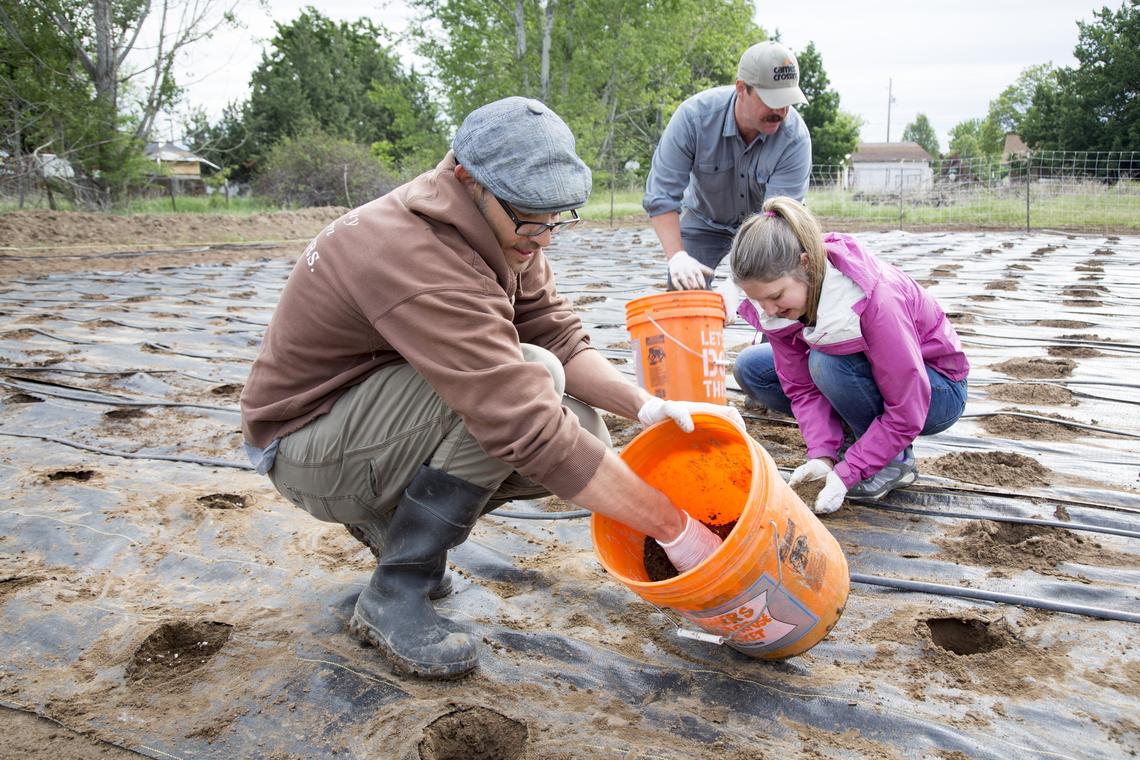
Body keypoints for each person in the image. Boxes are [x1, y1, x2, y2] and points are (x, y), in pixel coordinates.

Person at [239, 96, 742, 681]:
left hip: (365, 418)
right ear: (466, 179)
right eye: (533, 218)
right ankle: (394, 590)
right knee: (528, 393)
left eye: (558, 217)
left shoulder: (502, 228)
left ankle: (397, 530)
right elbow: (518, 418)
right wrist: (675, 529)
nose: (546, 237)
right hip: (304, 446)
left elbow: (556, 334)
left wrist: (646, 404)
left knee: (582, 425)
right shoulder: (413, 253)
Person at [727, 197, 969, 514]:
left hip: (935, 391)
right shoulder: (779, 308)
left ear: (805, 264)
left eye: (776, 296)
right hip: (865, 373)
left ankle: (894, 460)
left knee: (826, 363)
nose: (770, 310)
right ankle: (853, 436)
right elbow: (800, 387)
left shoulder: (875, 300)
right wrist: (822, 455)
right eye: (759, 301)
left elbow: (908, 408)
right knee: (751, 367)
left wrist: (848, 472)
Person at [643, 40, 812, 292]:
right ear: (742, 89)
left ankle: (775, 332)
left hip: (767, 227)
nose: (780, 110)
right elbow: (661, 197)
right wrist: (677, 257)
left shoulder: (794, 138)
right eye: (771, 100)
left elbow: (778, 219)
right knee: (684, 290)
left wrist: (737, 286)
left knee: (784, 294)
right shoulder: (693, 118)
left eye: (787, 101)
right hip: (704, 221)